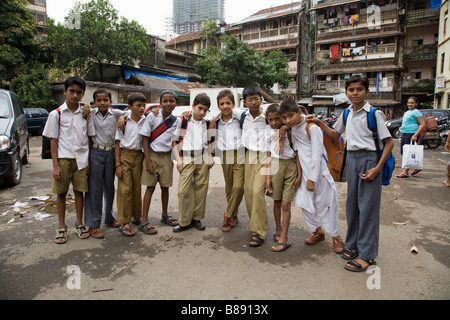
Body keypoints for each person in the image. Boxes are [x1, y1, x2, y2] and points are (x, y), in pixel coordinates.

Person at [307, 75, 394, 272]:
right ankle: (353, 244)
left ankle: (367, 256)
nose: (355, 93)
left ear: (366, 92)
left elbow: (389, 143)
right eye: (351, 90)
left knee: (368, 209)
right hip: (352, 159)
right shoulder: (347, 113)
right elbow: (335, 134)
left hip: (370, 159)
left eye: (359, 89)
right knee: (353, 205)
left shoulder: (374, 114)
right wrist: (318, 123)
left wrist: (377, 168)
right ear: (346, 93)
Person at [279, 99, 344, 254]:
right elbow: (298, 152)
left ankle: (336, 237)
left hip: (319, 175)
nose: (288, 120)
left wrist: (311, 179)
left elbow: (317, 155)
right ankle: (318, 232)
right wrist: (301, 175)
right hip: (304, 175)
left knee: (326, 205)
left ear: (299, 113)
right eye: (284, 118)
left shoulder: (312, 127)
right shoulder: (294, 128)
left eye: (290, 116)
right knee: (306, 205)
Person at [42, 76, 96, 244]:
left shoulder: (86, 113)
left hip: (81, 159)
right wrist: (55, 166)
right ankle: (61, 226)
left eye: (79, 92)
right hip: (63, 159)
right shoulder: (56, 114)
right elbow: (53, 140)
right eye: (71, 91)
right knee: (61, 193)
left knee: (80, 192)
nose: (74, 95)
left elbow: (89, 138)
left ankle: (79, 224)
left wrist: (87, 162)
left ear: (83, 94)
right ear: (65, 91)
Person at [84, 89, 127, 239]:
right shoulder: (90, 114)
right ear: (95, 102)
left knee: (110, 187)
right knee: (94, 189)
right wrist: (88, 161)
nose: (102, 103)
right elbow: (88, 139)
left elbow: (129, 113)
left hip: (112, 153)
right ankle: (93, 224)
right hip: (96, 153)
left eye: (105, 100)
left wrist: (122, 116)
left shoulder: (115, 114)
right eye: (99, 100)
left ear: (110, 101)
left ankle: (109, 217)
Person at [172, 93, 215, 232]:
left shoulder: (207, 123)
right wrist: (178, 161)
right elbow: (174, 142)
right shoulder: (183, 121)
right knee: (183, 191)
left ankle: (196, 218)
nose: (202, 112)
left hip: (202, 156)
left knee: (201, 189)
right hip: (187, 157)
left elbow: (211, 141)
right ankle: (184, 221)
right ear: (193, 106)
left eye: (205, 110)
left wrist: (210, 156)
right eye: (200, 108)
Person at [231, 86, 268, 247]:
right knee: (249, 193)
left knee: (258, 192)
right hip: (249, 156)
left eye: (256, 99)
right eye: (250, 100)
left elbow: (291, 117)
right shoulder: (242, 114)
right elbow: (223, 109)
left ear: (261, 99)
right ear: (244, 102)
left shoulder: (268, 115)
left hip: (266, 157)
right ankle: (255, 224)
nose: (253, 102)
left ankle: (259, 232)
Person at [139, 90, 179, 234]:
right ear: (160, 103)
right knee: (150, 188)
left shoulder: (176, 121)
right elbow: (145, 138)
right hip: (152, 156)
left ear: (176, 103)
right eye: (165, 101)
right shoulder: (152, 116)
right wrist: (148, 160)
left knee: (165, 187)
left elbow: (175, 140)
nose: (168, 104)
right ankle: (144, 220)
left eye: (171, 101)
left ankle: (164, 215)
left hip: (166, 157)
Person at [265, 103, 301, 252]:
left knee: (286, 203)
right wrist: (267, 178)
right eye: (270, 119)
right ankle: (278, 228)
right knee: (277, 201)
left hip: (291, 167)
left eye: (278, 119)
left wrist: (299, 175)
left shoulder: (292, 130)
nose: (274, 122)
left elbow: (298, 154)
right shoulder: (267, 132)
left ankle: (284, 237)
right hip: (275, 166)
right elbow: (268, 156)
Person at [212, 89, 245, 232]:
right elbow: (211, 138)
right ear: (218, 106)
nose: (225, 106)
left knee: (238, 186)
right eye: (222, 103)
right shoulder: (215, 122)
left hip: (240, 154)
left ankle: (228, 214)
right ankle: (235, 215)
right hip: (225, 155)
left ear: (233, 104)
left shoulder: (240, 119)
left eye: (228, 103)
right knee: (230, 187)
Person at [115, 93, 147, 237]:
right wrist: (117, 164)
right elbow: (117, 143)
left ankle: (136, 217)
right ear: (130, 107)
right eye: (138, 105)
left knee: (136, 188)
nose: (141, 108)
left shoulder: (145, 120)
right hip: (125, 155)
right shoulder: (124, 122)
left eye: (143, 105)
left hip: (138, 156)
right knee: (125, 189)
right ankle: (124, 221)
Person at [397, 96, 426, 178]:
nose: (410, 104)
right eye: (408, 102)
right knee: (404, 152)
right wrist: (402, 128)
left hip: (411, 134)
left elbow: (422, 124)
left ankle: (405, 172)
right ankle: (415, 166)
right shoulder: (407, 112)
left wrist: (415, 135)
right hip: (405, 133)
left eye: (412, 103)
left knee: (408, 153)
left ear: (416, 104)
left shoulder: (416, 112)